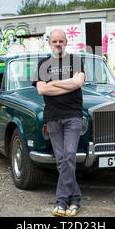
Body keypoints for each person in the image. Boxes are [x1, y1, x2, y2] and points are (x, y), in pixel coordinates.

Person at [33, 29, 85, 217]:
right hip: (53, 117)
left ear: (66, 41)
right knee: (62, 160)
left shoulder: (76, 61)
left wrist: (53, 83)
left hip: (73, 116)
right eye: (54, 41)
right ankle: (75, 199)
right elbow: (41, 90)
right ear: (49, 43)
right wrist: (67, 82)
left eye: (60, 41)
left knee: (69, 155)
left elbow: (78, 83)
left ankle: (61, 202)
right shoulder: (42, 64)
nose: (57, 44)